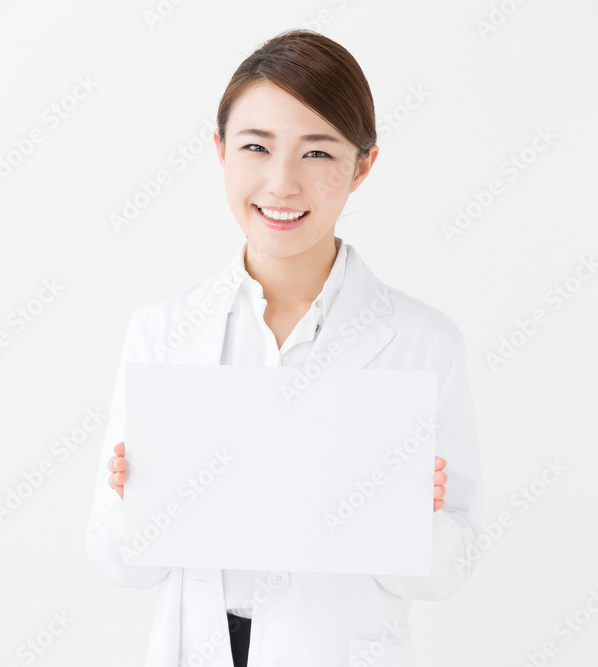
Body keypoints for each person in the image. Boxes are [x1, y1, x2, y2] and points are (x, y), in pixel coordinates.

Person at [85, 29, 484, 667]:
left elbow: (451, 567)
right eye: (256, 146)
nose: (281, 183)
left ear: (363, 166)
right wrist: (141, 504)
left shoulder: (421, 343)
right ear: (220, 151)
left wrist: (404, 515)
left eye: (318, 153)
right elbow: (118, 561)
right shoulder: (162, 332)